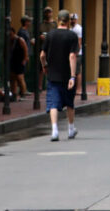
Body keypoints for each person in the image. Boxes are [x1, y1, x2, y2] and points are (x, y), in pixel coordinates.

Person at [41, 9, 80, 142]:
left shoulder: (50, 35)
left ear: (58, 20)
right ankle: (70, 129)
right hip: (67, 75)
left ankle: (54, 130)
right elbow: (72, 56)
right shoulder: (72, 36)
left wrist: (44, 66)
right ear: (68, 22)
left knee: (53, 103)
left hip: (53, 75)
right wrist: (73, 76)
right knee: (69, 103)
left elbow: (42, 55)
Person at [8, 26, 29, 100]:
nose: (9, 36)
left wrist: (24, 59)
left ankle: (23, 93)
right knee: (12, 78)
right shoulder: (10, 41)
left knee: (20, 78)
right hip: (13, 61)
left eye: (10, 34)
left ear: (13, 33)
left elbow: (25, 49)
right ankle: (14, 94)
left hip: (20, 61)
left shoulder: (20, 40)